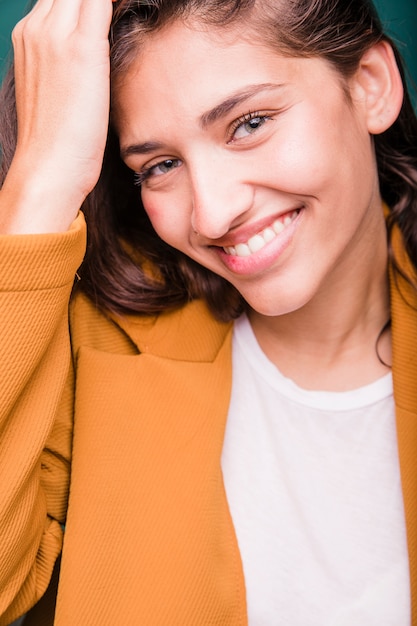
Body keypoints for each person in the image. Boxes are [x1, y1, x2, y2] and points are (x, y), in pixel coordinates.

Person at [0, 0, 417, 623]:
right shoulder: (93, 346)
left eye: (249, 123)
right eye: (160, 166)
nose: (214, 214)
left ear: (370, 86)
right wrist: (41, 179)